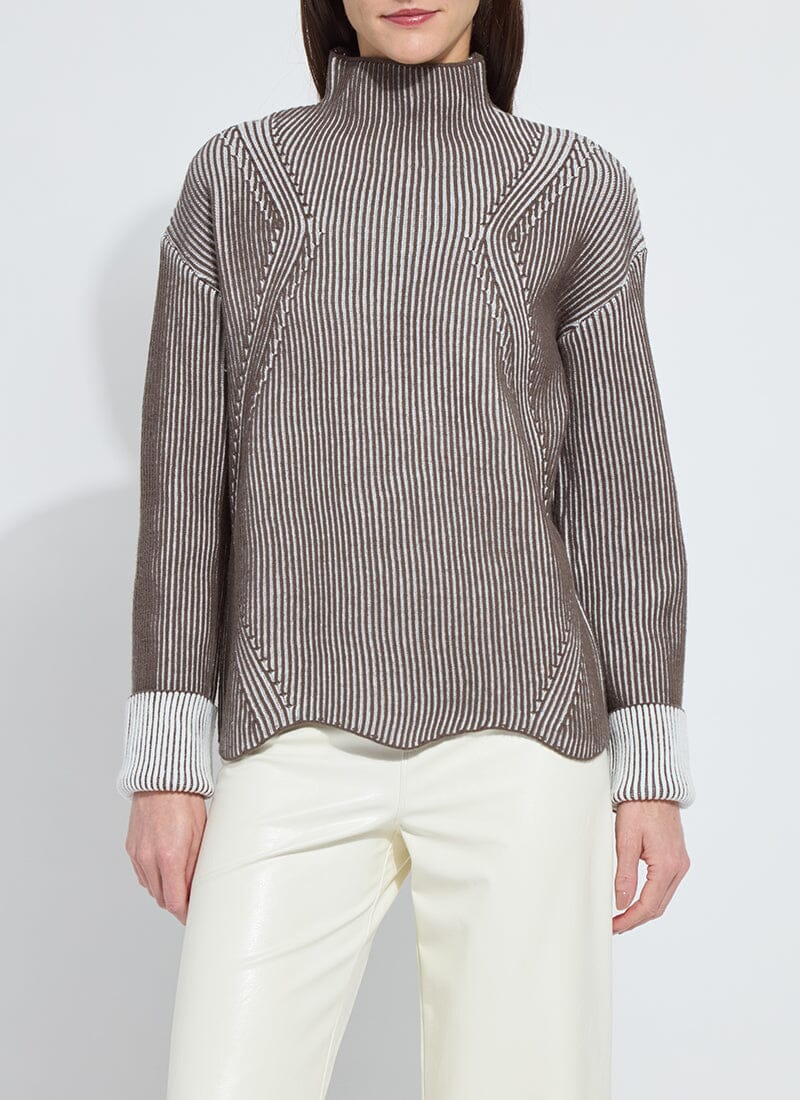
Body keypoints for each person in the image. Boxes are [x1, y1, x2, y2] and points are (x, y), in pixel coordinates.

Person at [117, 1, 696, 1096]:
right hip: (289, 722)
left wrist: (650, 774)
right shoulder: (240, 178)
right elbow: (185, 483)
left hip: (523, 732)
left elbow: (623, 494)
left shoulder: (572, 186)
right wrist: (166, 761)